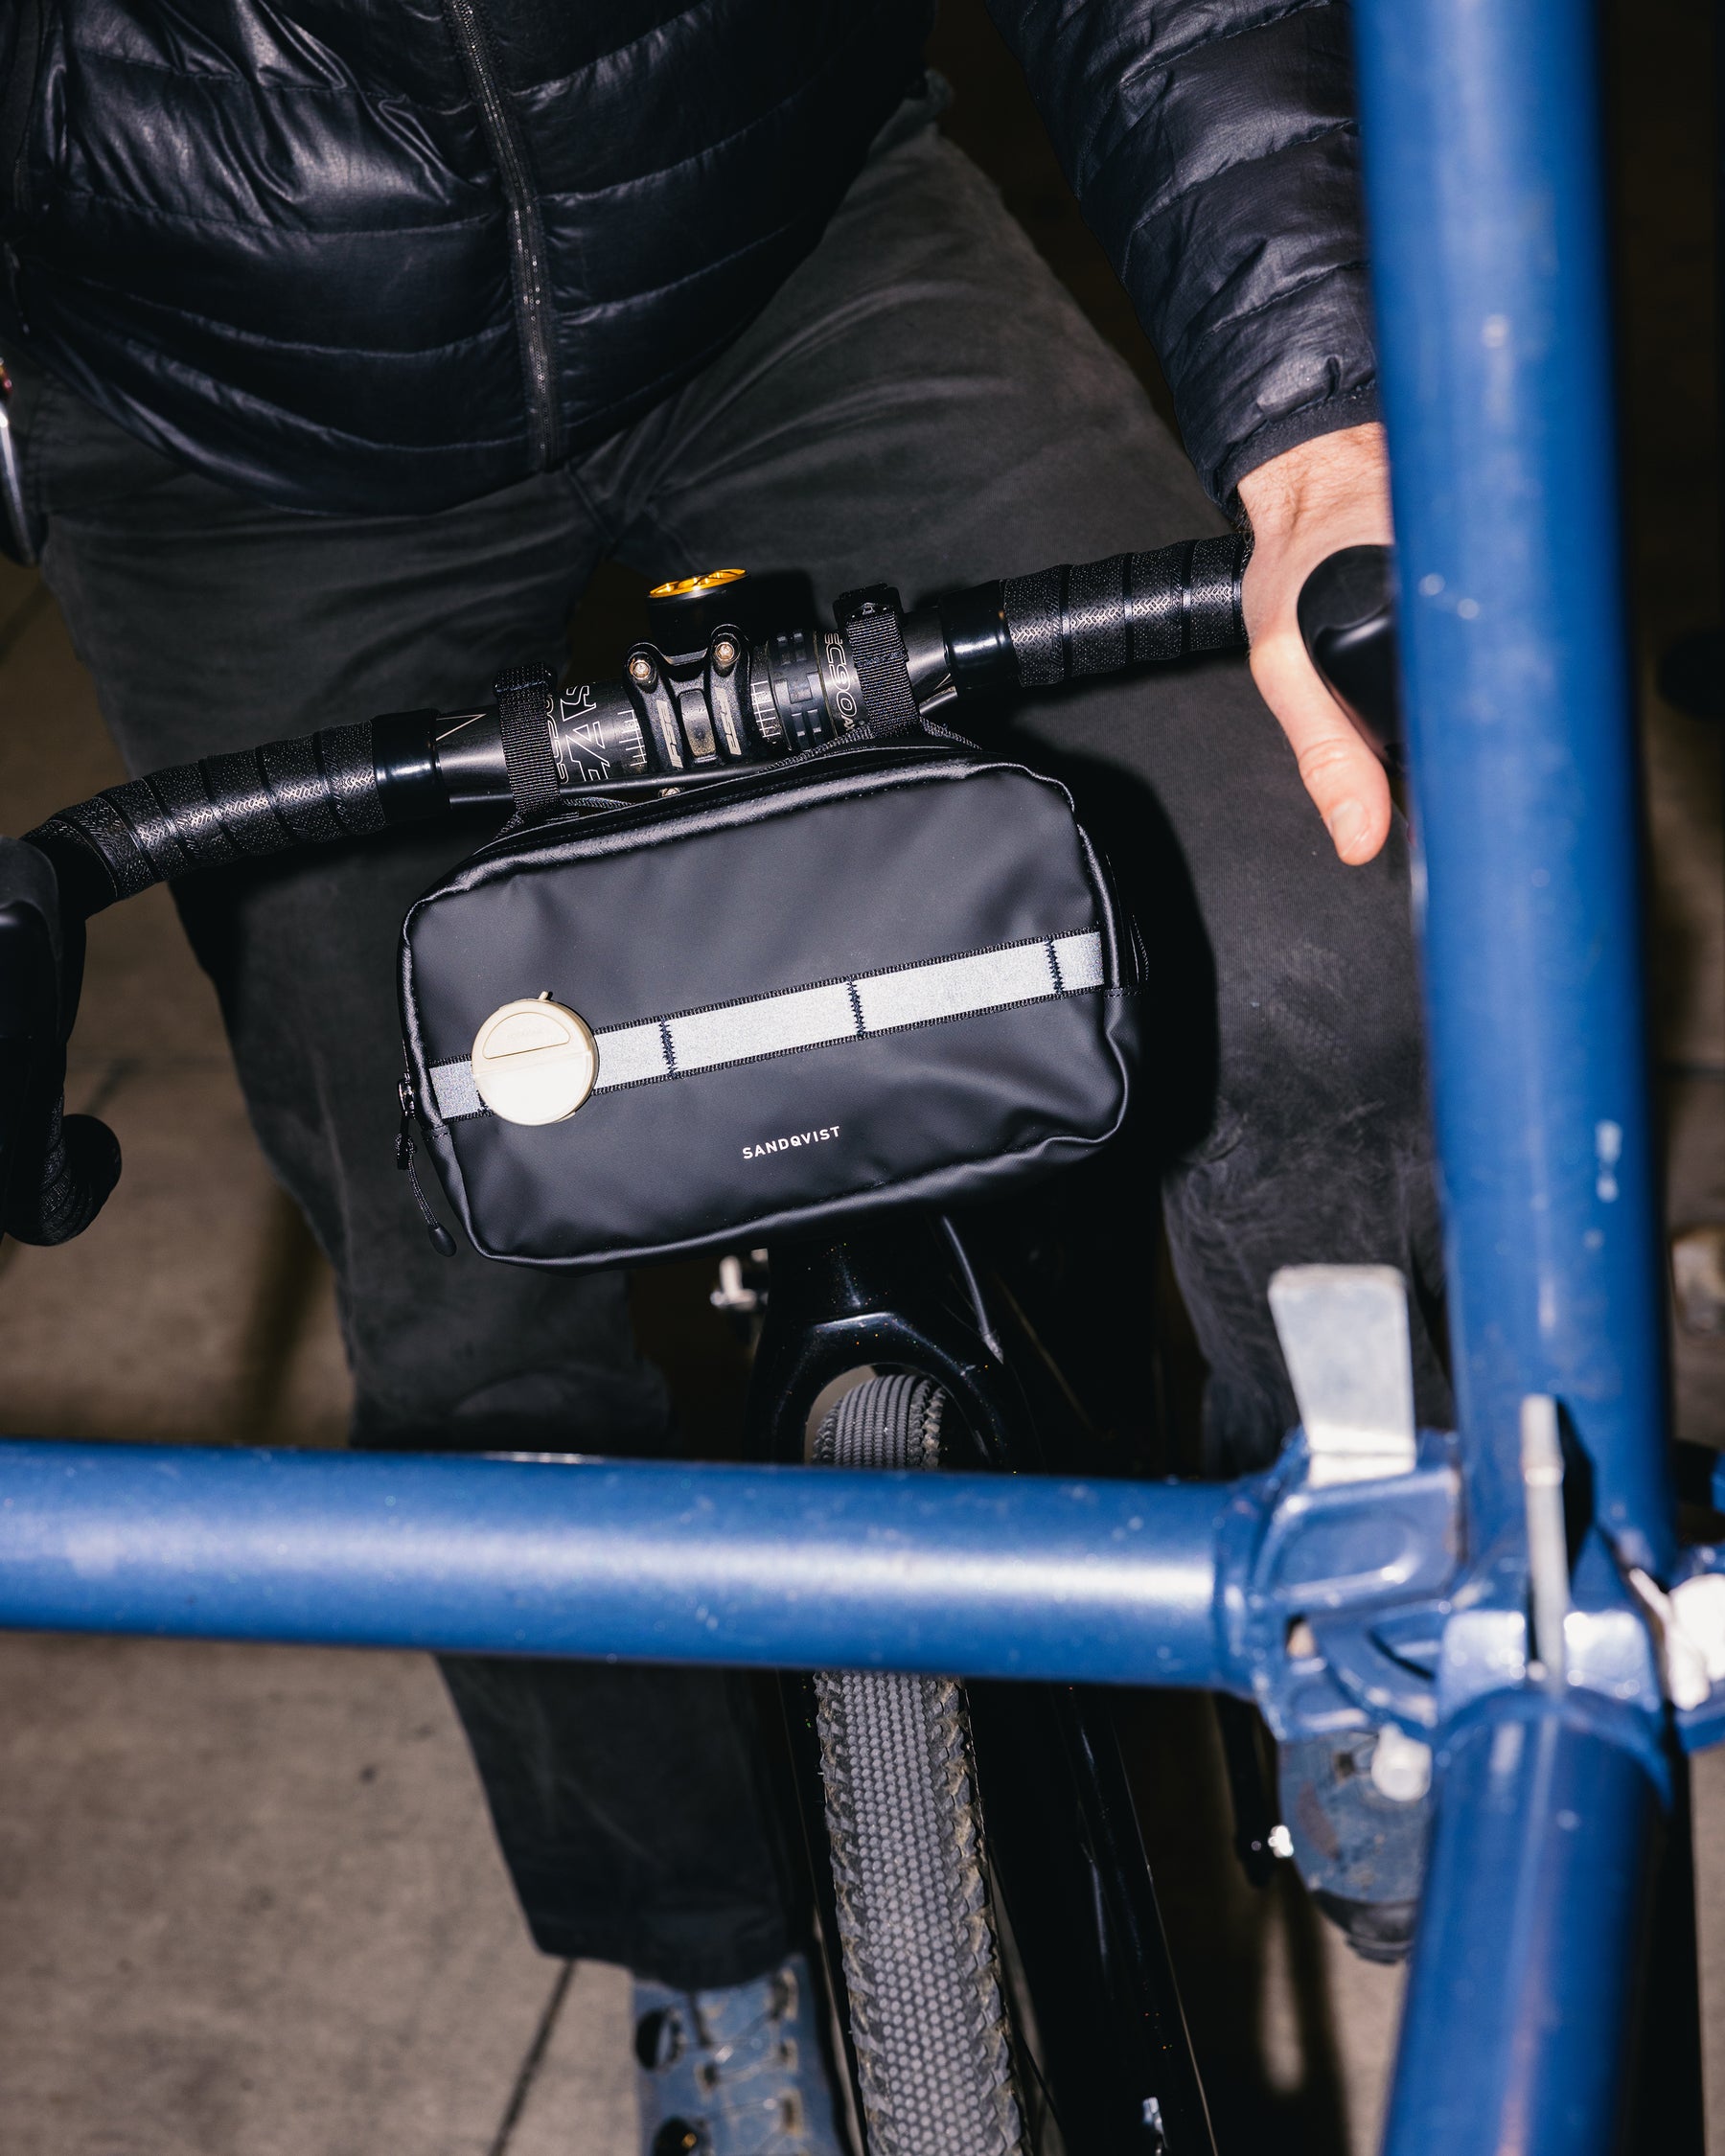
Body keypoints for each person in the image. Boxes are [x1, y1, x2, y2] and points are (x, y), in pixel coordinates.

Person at [1, 3, 1450, 2146]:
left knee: (1306, 944)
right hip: (227, 408)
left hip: (782, 238)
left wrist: (1315, 396)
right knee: (460, 1301)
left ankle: (1350, 1584)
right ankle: (700, 1942)